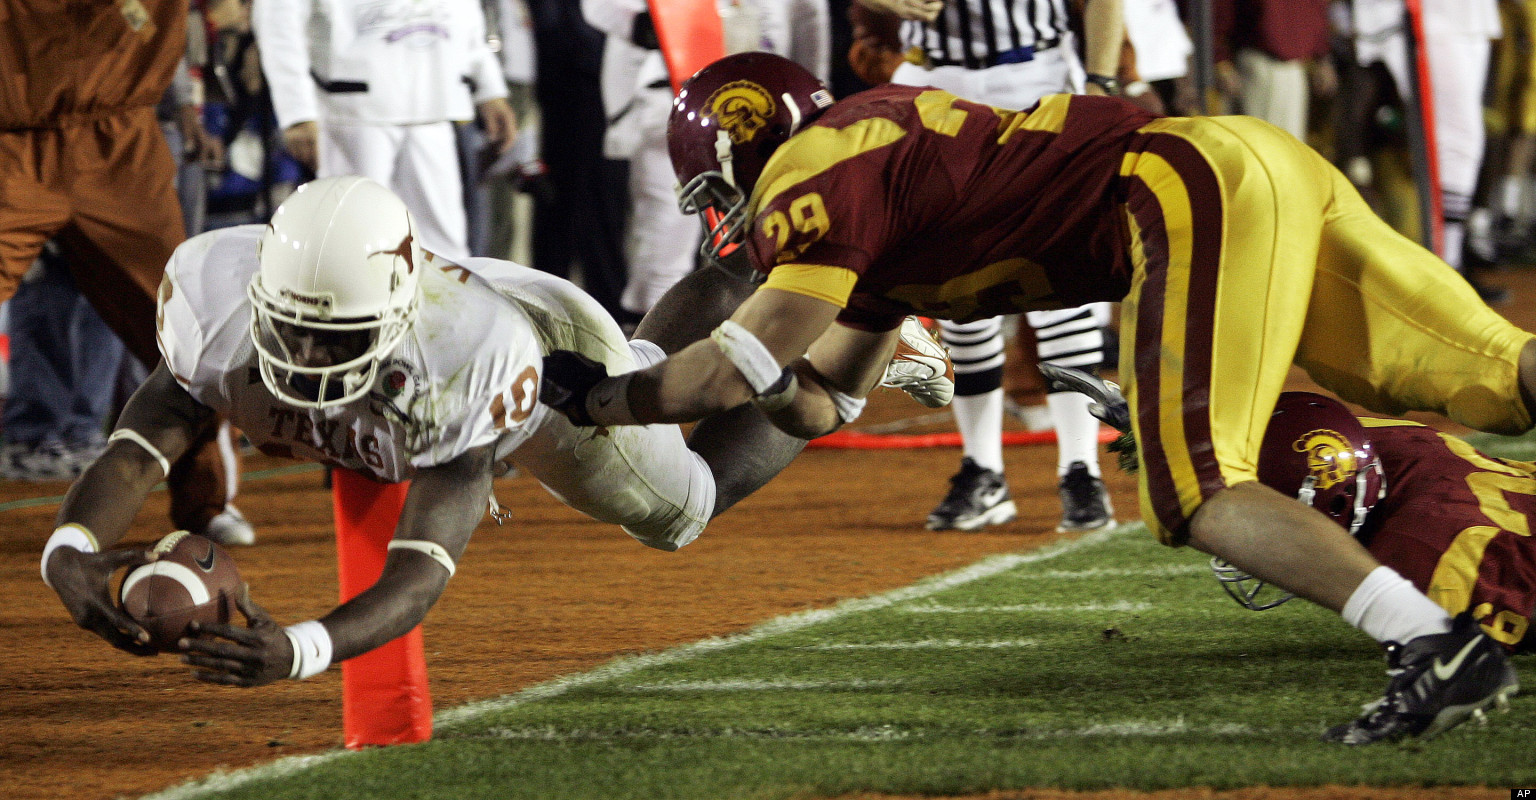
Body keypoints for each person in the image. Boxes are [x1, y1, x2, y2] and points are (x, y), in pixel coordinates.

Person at [538, 51, 1531, 743]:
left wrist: (593, 398)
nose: (719, 219)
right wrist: (747, 400)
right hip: (1241, 163)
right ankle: (1436, 643)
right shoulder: (866, 189)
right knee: (1483, 366)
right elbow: (822, 402)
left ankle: (1436, 647)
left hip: (1182, 186)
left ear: (741, 144)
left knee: (1197, 487)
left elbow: (722, 371)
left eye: (714, 192)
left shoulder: (816, 169)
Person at [39, 175, 811, 684]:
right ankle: (742, 256)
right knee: (639, 353)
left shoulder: (469, 363)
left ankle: (836, 352)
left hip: (537, 339)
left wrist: (301, 651)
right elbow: (137, 452)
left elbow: (418, 575)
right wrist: (66, 552)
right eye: (289, 329)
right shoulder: (213, 304)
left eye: (333, 339)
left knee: (685, 506)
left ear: (393, 317)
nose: (305, 359)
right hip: (451, 294)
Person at [849, 0, 1124, 534]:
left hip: (1037, 80)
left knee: (1057, 282)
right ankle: (983, 469)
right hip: (934, 85)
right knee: (952, 284)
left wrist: (1102, 83)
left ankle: (1081, 470)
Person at [1, 0, 248, 544]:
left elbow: (231, 12)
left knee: (185, 332)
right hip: (10, 138)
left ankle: (206, 502)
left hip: (121, 140)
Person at [252, 0, 519, 261]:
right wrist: (297, 111)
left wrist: (489, 86)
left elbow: (462, 11)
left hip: (435, 102)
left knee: (443, 254)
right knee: (354, 246)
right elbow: (279, 19)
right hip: (354, 112)